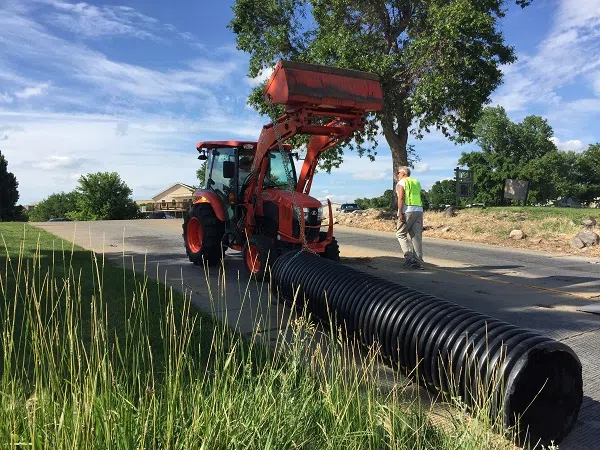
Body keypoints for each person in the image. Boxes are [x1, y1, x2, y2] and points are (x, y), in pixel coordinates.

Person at [395, 166, 424, 270]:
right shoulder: (416, 182)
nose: (397, 175)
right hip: (419, 210)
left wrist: (400, 212)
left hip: (407, 210)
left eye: (398, 173)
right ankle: (418, 261)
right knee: (416, 236)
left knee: (400, 233)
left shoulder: (402, 182)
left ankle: (409, 258)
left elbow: (401, 197)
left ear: (403, 173)